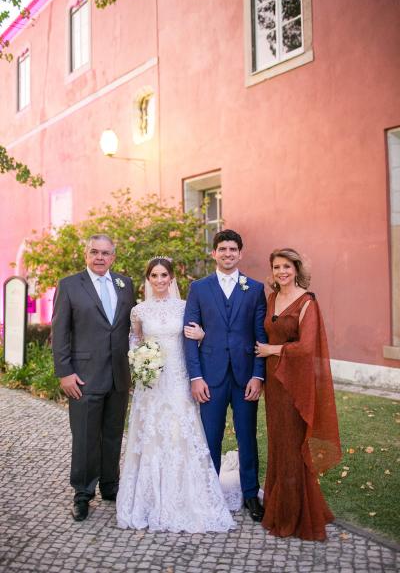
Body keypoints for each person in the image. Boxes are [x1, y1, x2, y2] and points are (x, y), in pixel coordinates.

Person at [116, 257, 236, 533]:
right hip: (152, 383)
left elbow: (197, 337)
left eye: (164, 275)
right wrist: (140, 360)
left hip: (179, 379)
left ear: (171, 279)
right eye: (154, 276)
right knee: (151, 435)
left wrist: (202, 335)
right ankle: (149, 499)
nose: (159, 280)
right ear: (148, 279)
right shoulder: (138, 311)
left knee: (180, 432)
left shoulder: (184, 307)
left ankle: (186, 497)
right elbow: (135, 340)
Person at [255, 248, 341, 541]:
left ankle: (294, 514)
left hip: (294, 384)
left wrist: (272, 349)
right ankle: (278, 505)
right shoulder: (271, 298)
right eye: (277, 267)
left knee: (292, 445)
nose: (282, 272)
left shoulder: (307, 302)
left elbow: (306, 348)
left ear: (296, 269)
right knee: (278, 444)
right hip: (274, 383)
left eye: (287, 267)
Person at [184, 230, 267, 522]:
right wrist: (196, 377)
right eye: (222, 249)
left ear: (240, 253)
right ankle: (209, 493)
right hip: (210, 377)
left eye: (233, 249)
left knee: (247, 436)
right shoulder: (199, 288)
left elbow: (261, 335)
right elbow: (188, 335)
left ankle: (250, 494)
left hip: (245, 378)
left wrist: (258, 376)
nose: (228, 253)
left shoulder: (254, 289)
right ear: (214, 253)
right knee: (210, 438)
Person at [52, 234, 135, 522]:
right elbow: (60, 333)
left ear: (114, 256)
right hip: (83, 376)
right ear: (86, 254)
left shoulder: (125, 284)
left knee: (113, 434)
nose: (100, 257)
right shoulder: (69, 285)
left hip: (118, 374)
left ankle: (110, 485)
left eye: (106, 253)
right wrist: (65, 372)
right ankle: (83, 493)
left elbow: (131, 327)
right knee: (86, 436)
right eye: (95, 252)